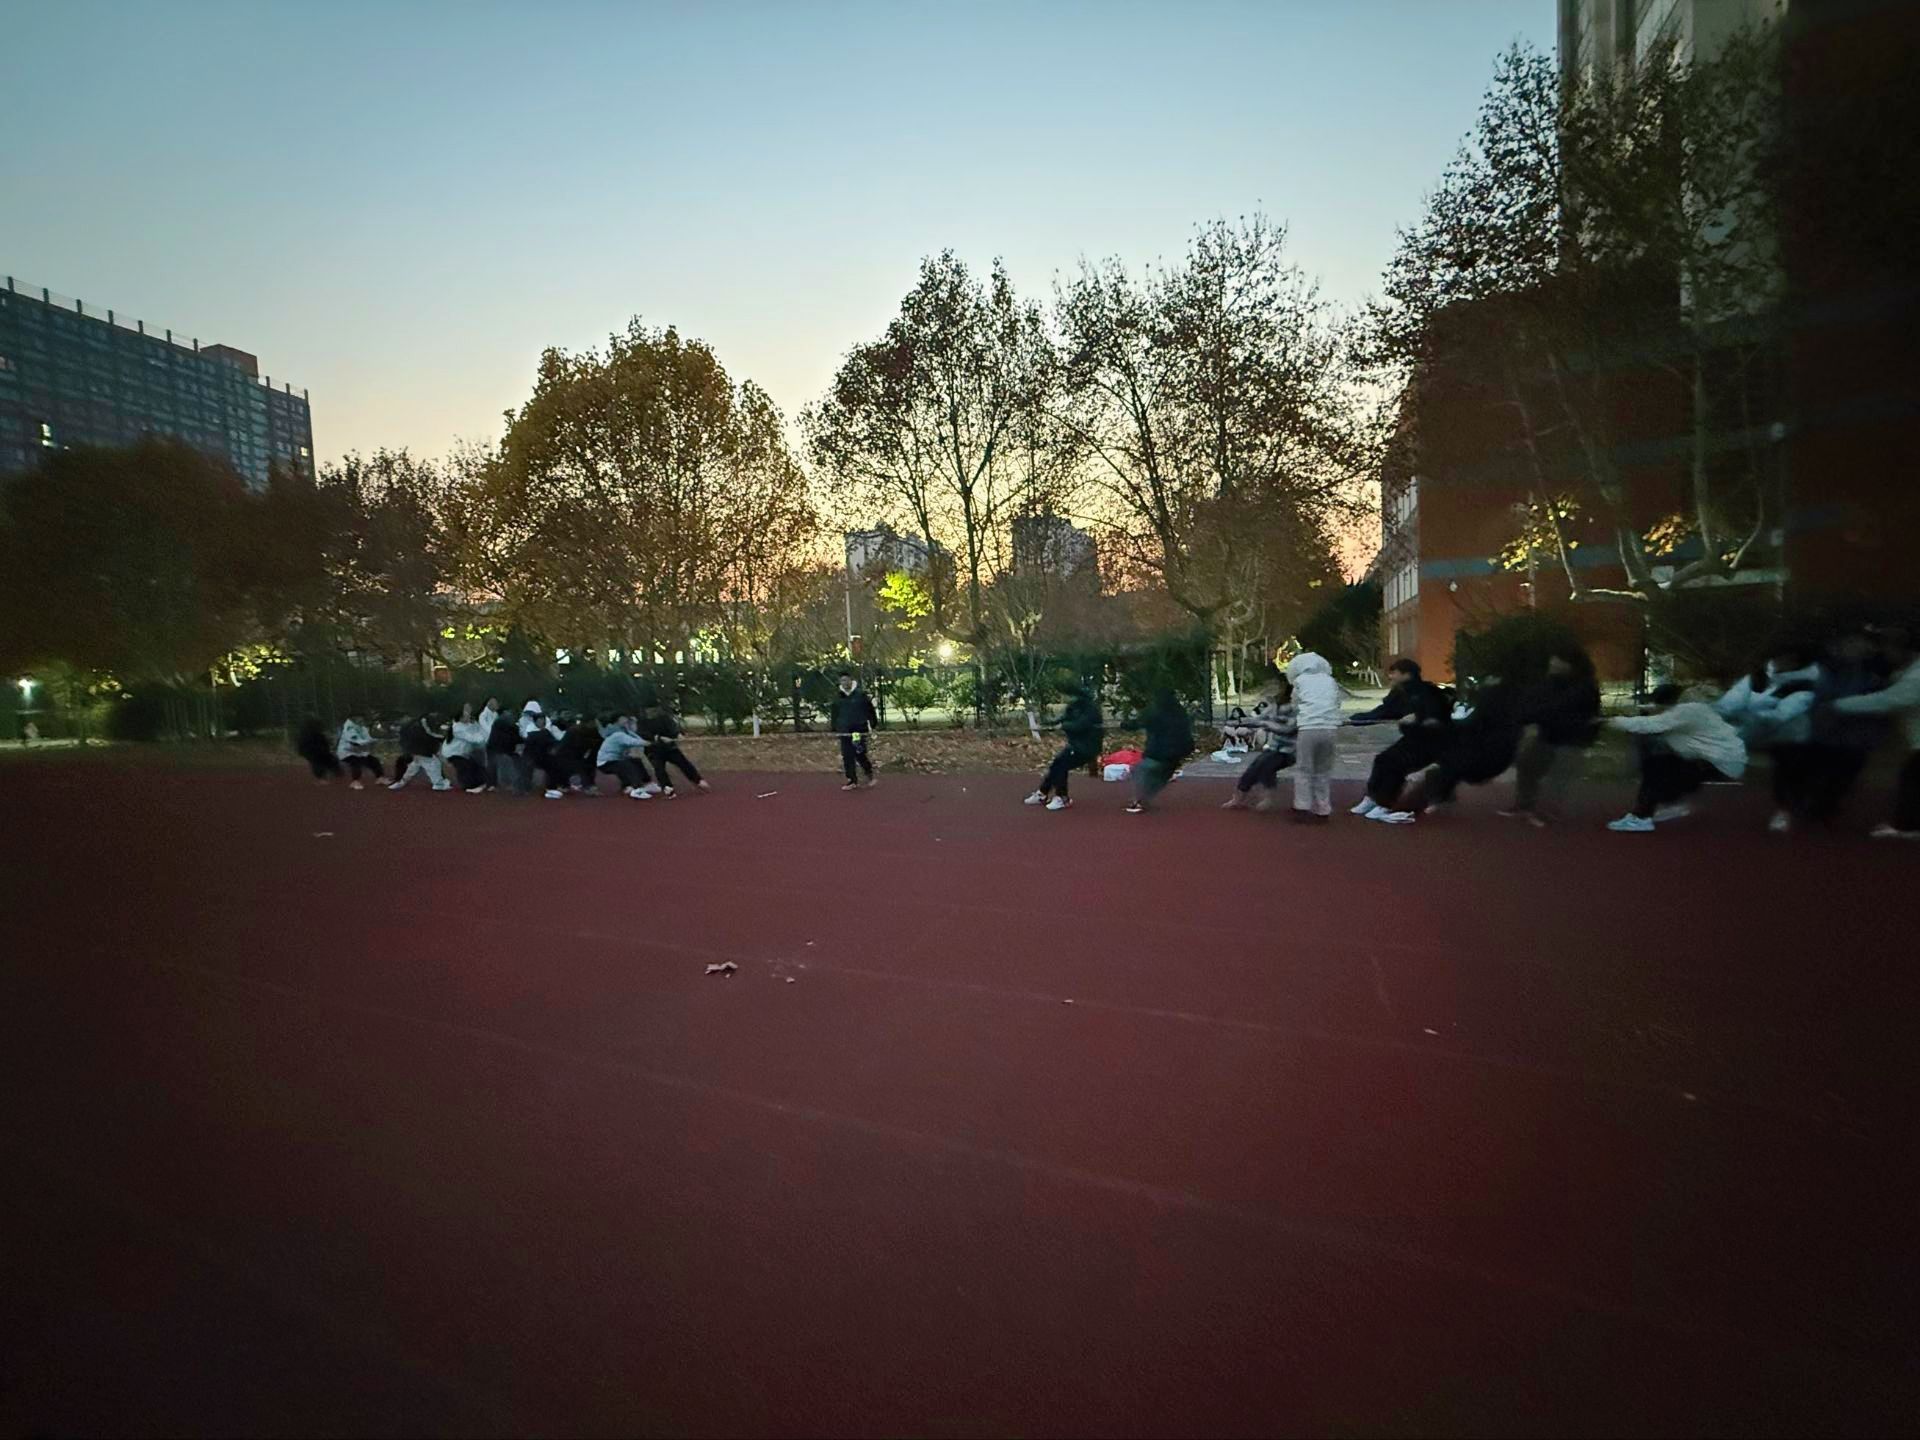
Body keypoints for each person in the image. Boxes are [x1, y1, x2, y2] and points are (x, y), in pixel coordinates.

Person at [1605, 683, 1746, 832]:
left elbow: (1650, 724)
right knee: (1667, 764)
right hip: (1722, 761)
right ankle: (1672, 804)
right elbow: (1657, 711)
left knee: (1655, 766)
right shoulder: (1694, 709)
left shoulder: (1687, 711)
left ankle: (1641, 818)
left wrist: (1612, 721)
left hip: (1719, 763)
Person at [1715, 644, 1822, 833]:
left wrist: (1747, 719)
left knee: (1788, 770)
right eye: (1778, 658)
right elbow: (1731, 702)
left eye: (1788, 659)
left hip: (1790, 736)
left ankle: (1786, 810)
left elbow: (1782, 714)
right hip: (1755, 730)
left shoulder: (1806, 684)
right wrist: (1713, 711)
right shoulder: (1758, 677)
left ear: (1797, 662)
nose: (1780, 663)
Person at [1827, 624, 1920, 839]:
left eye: (1887, 648)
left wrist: (1837, 706)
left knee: (1912, 777)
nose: (1883, 653)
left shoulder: (1915, 677)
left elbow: (1887, 701)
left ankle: (1909, 825)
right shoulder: (1905, 673)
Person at [1501, 647, 1601, 826]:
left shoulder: (1585, 686)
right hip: (1549, 735)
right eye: (1552, 661)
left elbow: (1559, 708)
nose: (1553, 664)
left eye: (1558, 661)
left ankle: (1547, 811)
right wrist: (1527, 716)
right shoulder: (1548, 684)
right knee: (1526, 764)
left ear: (1570, 665)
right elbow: (1531, 705)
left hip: (1574, 738)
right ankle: (1525, 804)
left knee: (1559, 774)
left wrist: (1536, 715)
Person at [1348, 658, 1453, 824]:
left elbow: (1440, 715)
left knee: (1396, 763)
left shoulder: (1428, 691)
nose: (1391, 676)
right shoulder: (1399, 693)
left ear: (1406, 674)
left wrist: (1419, 717)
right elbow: (1384, 711)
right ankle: (1372, 798)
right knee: (1382, 759)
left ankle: (1385, 804)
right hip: (1413, 739)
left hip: (1433, 742)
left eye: (1394, 673)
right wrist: (1355, 719)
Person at [1403, 673, 1524, 817]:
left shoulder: (1490, 703)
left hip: (1484, 759)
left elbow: (1467, 726)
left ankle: (1431, 797)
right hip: (1495, 756)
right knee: (1447, 760)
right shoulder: (1507, 714)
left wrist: (1432, 726)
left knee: (1445, 763)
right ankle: (1440, 794)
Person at [1025, 682, 1103, 811]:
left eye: (1065, 695)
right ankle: (1042, 793)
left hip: (1087, 747)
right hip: (1076, 745)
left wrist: (1063, 726)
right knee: (1056, 764)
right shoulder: (1073, 707)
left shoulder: (1090, 709)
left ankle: (1062, 798)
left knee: (1061, 764)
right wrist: (1045, 725)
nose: (1063, 698)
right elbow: (1062, 719)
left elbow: (1081, 725)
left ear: (1074, 695)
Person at [1284, 650, 1343, 820]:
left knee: (1304, 768)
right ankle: (1323, 807)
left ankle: (1302, 806)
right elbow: (1337, 702)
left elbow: (1295, 705)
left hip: (1308, 727)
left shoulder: (1300, 681)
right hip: (1330, 728)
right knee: (1323, 769)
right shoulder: (1330, 681)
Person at [1222, 677, 1296, 811]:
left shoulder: (1295, 707)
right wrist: (1239, 722)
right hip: (1275, 748)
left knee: (1267, 765)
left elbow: (1288, 729)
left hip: (1290, 750)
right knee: (1254, 767)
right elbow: (1257, 720)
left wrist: (1266, 724)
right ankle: (1238, 798)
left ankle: (1267, 798)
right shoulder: (1274, 706)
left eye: (1277, 686)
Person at [1126, 690, 1194, 814]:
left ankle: (1140, 799)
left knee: (1140, 770)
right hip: (1177, 754)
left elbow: (1138, 723)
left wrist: (1126, 724)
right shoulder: (1180, 712)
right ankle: (1144, 798)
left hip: (1160, 753)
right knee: (1162, 776)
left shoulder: (1156, 714)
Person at [642, 697, 709, 795]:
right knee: (659, 769)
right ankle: (668, 788)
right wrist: (659, 738)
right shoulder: (642, 722)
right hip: (653, 750)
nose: (653, 712)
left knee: (683, 763)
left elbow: (673, 728)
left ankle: (698, 780)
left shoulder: (664, 718)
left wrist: (677, 734)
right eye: (650, 710)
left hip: (670, 748)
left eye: (655, 709)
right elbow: (643, 735)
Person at [830, 672, 880, 790]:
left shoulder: (860, 695)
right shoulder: (838, 697)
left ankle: (869, 774)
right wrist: (834, 727)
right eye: (842, 681)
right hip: (845, 731)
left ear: (851, 681)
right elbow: (834, 713)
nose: (845, 683)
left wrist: (873, 724)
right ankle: (852, 780)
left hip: (858, 730)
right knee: (847, 755)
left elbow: (870, 710)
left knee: (859, 753)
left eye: (847, 680)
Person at [442, 699, 498, 793]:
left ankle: (482, 783)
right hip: (453, 753)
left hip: (463, 754)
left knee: (477, 766)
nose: (468, 715)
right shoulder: (457, 728)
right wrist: (485, 737)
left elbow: (480, 730)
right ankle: (470, 786)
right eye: (466, 715)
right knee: (465, 767)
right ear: (460, 718)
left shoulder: (470, 724)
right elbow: (472, 738)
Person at [596, 713, 656, 799]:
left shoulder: (625, 731)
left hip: (616, 759)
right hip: (605, 762)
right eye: (623, 718)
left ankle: (648, 784)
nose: (626, 720)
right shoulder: (617, 733)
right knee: (627, 765)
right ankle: (637, 789)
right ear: (616, 721)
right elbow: (633, 741)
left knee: (635, 761)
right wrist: (650, 743)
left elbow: (635, 737)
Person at [389, 712, 453, 791]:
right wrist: (442, 738)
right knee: (433, 764)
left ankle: (402, 782)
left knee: (414, 766)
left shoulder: (416, 723)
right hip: (422, 749)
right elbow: (430, 734)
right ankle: (439, 784)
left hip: (419, 749)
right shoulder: (423, 722)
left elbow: (429, 735)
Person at [335, 712, 384, 789]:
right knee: (356, 762)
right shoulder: (349, 727)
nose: (361, 720)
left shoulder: (362, 728)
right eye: (359, 718)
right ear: (353, 718)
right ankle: (355, 782)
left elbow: (368, 738)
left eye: (362, 718)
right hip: (346, 752)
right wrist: (370, 741)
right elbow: (355, 742)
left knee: (374, 761)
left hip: (359, 753)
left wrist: (377, 738)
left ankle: (380, 778)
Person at [487, 704, 525, 793]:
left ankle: (516, 784)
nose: (510, 714)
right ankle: (493, 784)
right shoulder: (500, 723)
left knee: (517, 760)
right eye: (508, 712)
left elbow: (515, 738)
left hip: (506, 750)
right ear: (503, 713)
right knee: (498, 761)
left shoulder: (512, 725)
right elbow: (508, 739)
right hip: (496, 750)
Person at [294, 716, 341, 783]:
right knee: (319, 763)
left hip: (317, 752)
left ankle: (330, 774)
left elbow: (324, 743)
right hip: (315, 752)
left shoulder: (312, 734)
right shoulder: (312, 735)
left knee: (323, 762)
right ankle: (326, 776)